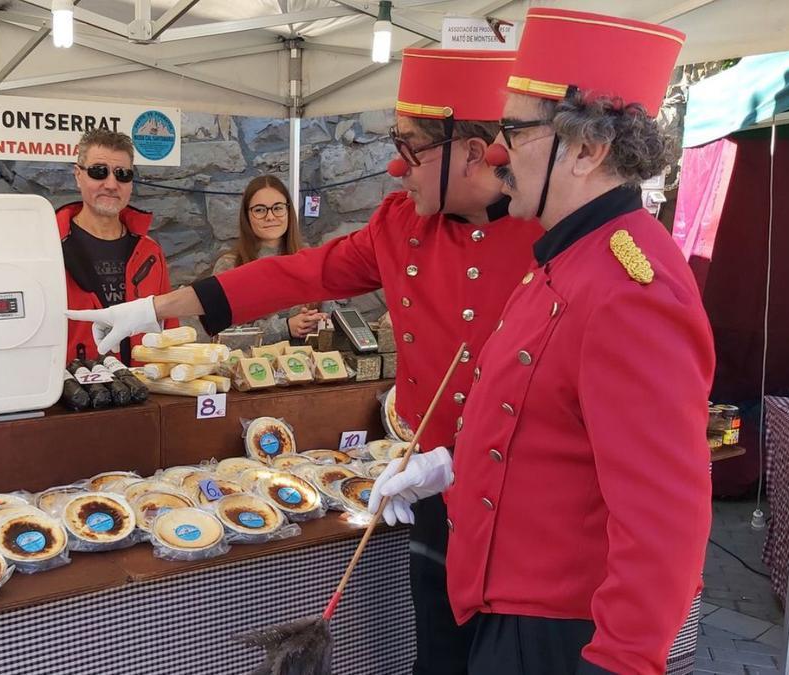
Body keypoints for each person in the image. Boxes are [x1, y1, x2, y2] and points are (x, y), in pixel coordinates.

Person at [67, 49, 543, 675]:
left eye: (411, 146)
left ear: (477, 153)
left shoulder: (550, 232)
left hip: (525, 509)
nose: (395, 166)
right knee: (439, 656)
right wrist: (154, 309)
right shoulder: (401, 224)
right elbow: (295, 273)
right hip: (431, 494)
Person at [373, 9, 714, 674]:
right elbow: (536, 422)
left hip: (565, 636)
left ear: (588, 151)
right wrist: (448, 466)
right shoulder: (564, 257)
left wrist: (617, 662)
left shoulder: (630, 288)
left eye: (515, 130)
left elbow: (665, 525)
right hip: (506, 608)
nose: (495, 152)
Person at [58, 128, 175, 364]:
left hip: (144, 389)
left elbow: (169, 325)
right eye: (99, 172)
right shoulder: (50, 247)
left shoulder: (150, 250)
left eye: (122, 174)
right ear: (78, 175)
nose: (111, 184)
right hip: (74, 390)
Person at [211, 175, 329, 344]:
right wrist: (285, 327)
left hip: (308, 365)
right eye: (260, 210)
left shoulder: (310, 258)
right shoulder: (229, 265)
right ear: (247, 216)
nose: (270, 216)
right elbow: (221, 336)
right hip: (252, 367)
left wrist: (320, 320)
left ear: (288, 210)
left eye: (278, 208)